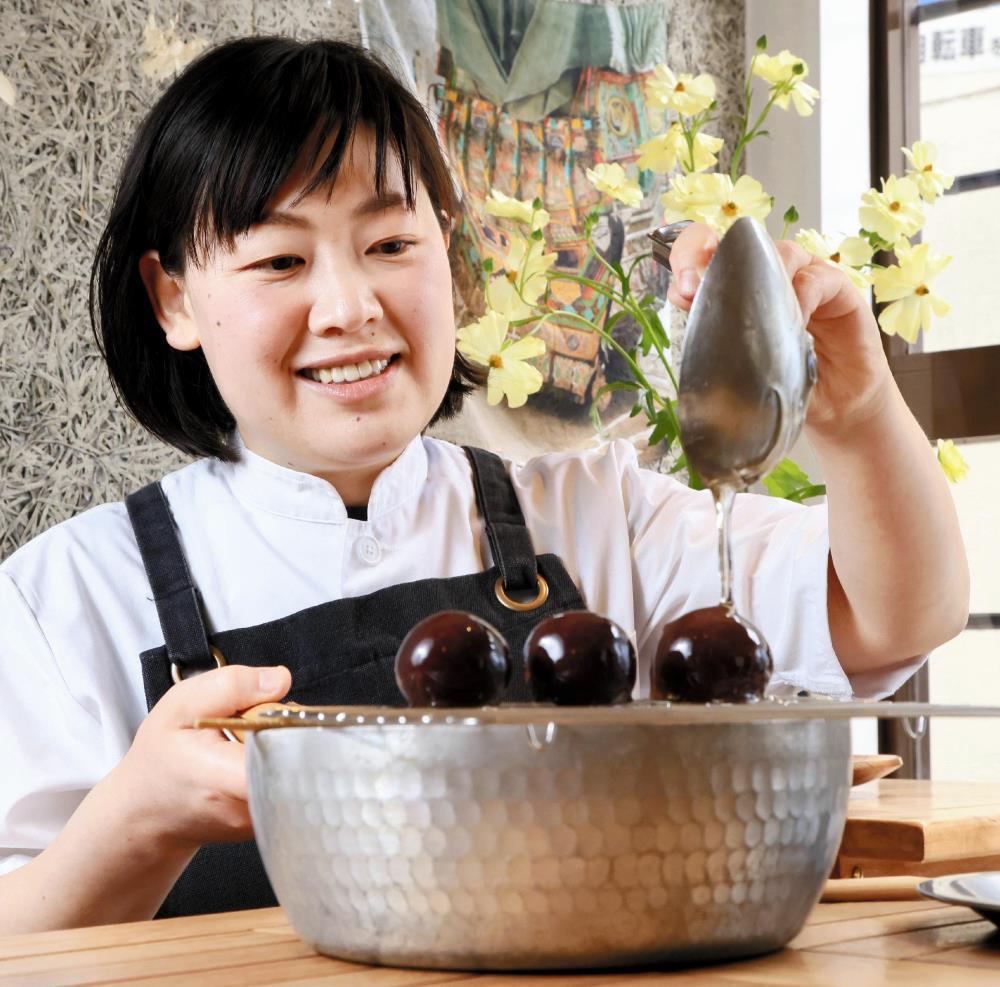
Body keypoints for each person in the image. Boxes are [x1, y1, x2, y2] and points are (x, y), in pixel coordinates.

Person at [0, 36, 968, 933]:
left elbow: (897, 617)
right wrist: (138, 817)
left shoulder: (597, 514)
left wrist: (859, 416)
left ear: (452, 255)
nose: (349, 307)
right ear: (174, 298)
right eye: (281, 260)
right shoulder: (67, 597)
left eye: (389, 245)